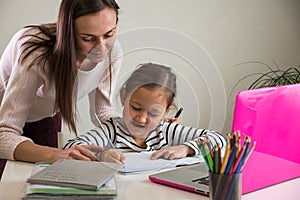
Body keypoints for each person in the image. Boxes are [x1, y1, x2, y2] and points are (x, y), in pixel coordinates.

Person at [0, 0, 122, 178]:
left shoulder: (114, 53)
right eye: (88, 39)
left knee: (46, 186)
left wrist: (151, 128)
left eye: (109, 34)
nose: (101, 48)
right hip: (4, 122)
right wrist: (59, 155)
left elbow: (104, 113)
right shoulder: (35, 52)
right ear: (68, 33)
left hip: (45, 119)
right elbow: (4, 135)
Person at [63, 63, 227, 164]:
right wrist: (101, 155)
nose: (141, 119)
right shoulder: (111, 130)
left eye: (154, 113)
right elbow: (72, 147)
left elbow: (219, 139)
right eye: (135, 107)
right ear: (123, 97)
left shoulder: (167, 130)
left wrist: (186, 148)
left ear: (166, 112)